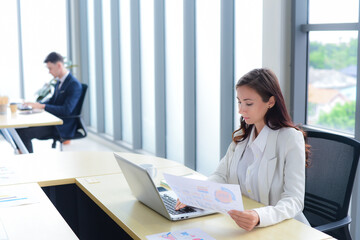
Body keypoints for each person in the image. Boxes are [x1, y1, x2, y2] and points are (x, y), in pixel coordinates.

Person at [175, 68, 310, 231]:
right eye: (239, 102)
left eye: (248, 103)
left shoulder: (289, 138)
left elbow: (294, 200)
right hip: (243, 225)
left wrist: (259, 216)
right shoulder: (242, 135)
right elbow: (221, 175)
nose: (241, 110)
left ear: (271, 102)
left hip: (283, 228)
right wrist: (197, 195)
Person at [16, 52, 82, 153]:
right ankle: (22, 154)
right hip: (54, 121)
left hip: (62, 125)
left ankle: (27, 161)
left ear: (59, 65)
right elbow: (53, 101)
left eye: (50, 68)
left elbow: (66, 110)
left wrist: (42, 106)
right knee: (19, 129)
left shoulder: (73, 84)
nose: (49, 72)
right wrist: (35, 105)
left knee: (25, 133)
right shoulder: (60, 82)